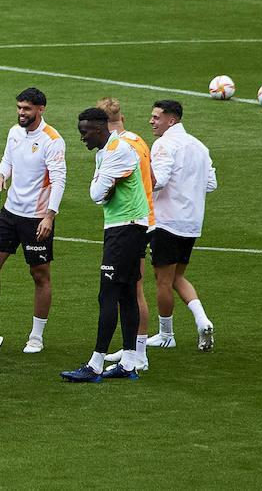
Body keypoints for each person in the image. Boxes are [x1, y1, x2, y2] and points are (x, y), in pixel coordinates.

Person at [62, 108, 152, 383]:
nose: (82, 138)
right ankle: (128, 361)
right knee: (125, 293)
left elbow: (96, 193)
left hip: (125, 228)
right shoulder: (105, 152)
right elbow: (100, 194)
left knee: (108, 294)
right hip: (126, 225)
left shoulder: (118, 151)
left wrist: (104, 184)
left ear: (99, 129)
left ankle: (96, 364)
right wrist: (104, 185)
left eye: (84, 132)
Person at [0, 87, 66, 354]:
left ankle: (36, 336)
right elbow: (7, 160)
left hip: (36, 218)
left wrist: (50, 215)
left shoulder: (52, 140)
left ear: (40, 110)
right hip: (10, 212)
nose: (21, 113)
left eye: (27, 109)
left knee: (39, 275)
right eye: (19, 108)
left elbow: (58, 179)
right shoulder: (14, 132)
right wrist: (1, 176)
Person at [146, 99, 218, 352]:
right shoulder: (200, 146)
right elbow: (211, 185)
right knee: (178, 277)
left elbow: (159, 180)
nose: (151, 121)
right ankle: (202, 319)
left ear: (171, 120)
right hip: (191, 222)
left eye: (156, 117)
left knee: (162, 280)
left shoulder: (164, 144)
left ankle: (166, 334)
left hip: (166, 221)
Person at [96, 97, 155, 371]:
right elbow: (153, 180)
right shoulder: (139, 140)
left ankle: (138, 353)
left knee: (130, 290)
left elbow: (99, 193)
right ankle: (132, 352)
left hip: (129, 222)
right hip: (145, 218)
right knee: (130, 289)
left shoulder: (117, 148)